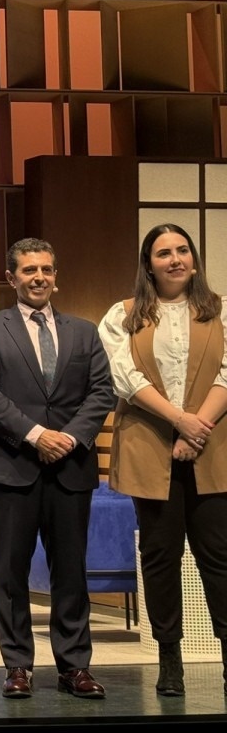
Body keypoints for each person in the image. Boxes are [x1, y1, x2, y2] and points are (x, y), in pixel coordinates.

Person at [0, 238, 116, 699]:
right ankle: (18, 666)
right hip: (11, 466)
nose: (39, 278)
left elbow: (102, 392)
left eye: (47, 270)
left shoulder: (84, 332)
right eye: (29, 270)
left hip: (70, 466)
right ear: (11, 278)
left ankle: (75, 667)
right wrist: (36, 435)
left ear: (56, 275)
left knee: (70, 571)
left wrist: (68, 437)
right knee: (10, 573)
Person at [98, 223, 227, 697]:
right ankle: (169, 659)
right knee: (159, 556)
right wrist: (179, 421)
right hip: (149, 446)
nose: (174, 259)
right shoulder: (123, 314)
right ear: (147, 263)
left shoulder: (221, 311)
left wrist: (197, 430)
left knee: (219, 556)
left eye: (181, 250)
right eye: (162, 253)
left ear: (193, 258)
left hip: (212, 448)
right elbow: (123, 375)